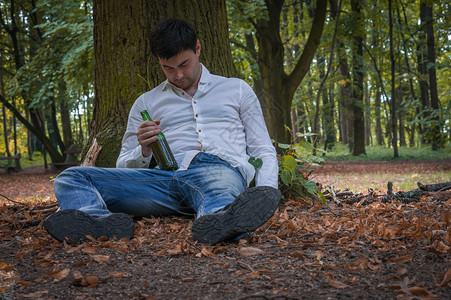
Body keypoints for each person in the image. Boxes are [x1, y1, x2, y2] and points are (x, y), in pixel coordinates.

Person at [44, 18, 281, 245]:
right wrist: (144, 150)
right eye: (168, 68)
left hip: (218, 170)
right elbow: (123, 164)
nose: (177, 75)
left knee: (219, 187)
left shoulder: (236, 89)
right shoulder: (146, 102)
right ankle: (98, 224)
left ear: (197, 48)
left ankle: (217, 221)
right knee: (72, 177)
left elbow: (262, 148)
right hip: (161, 181)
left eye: (183, 64)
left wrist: (267, 195)